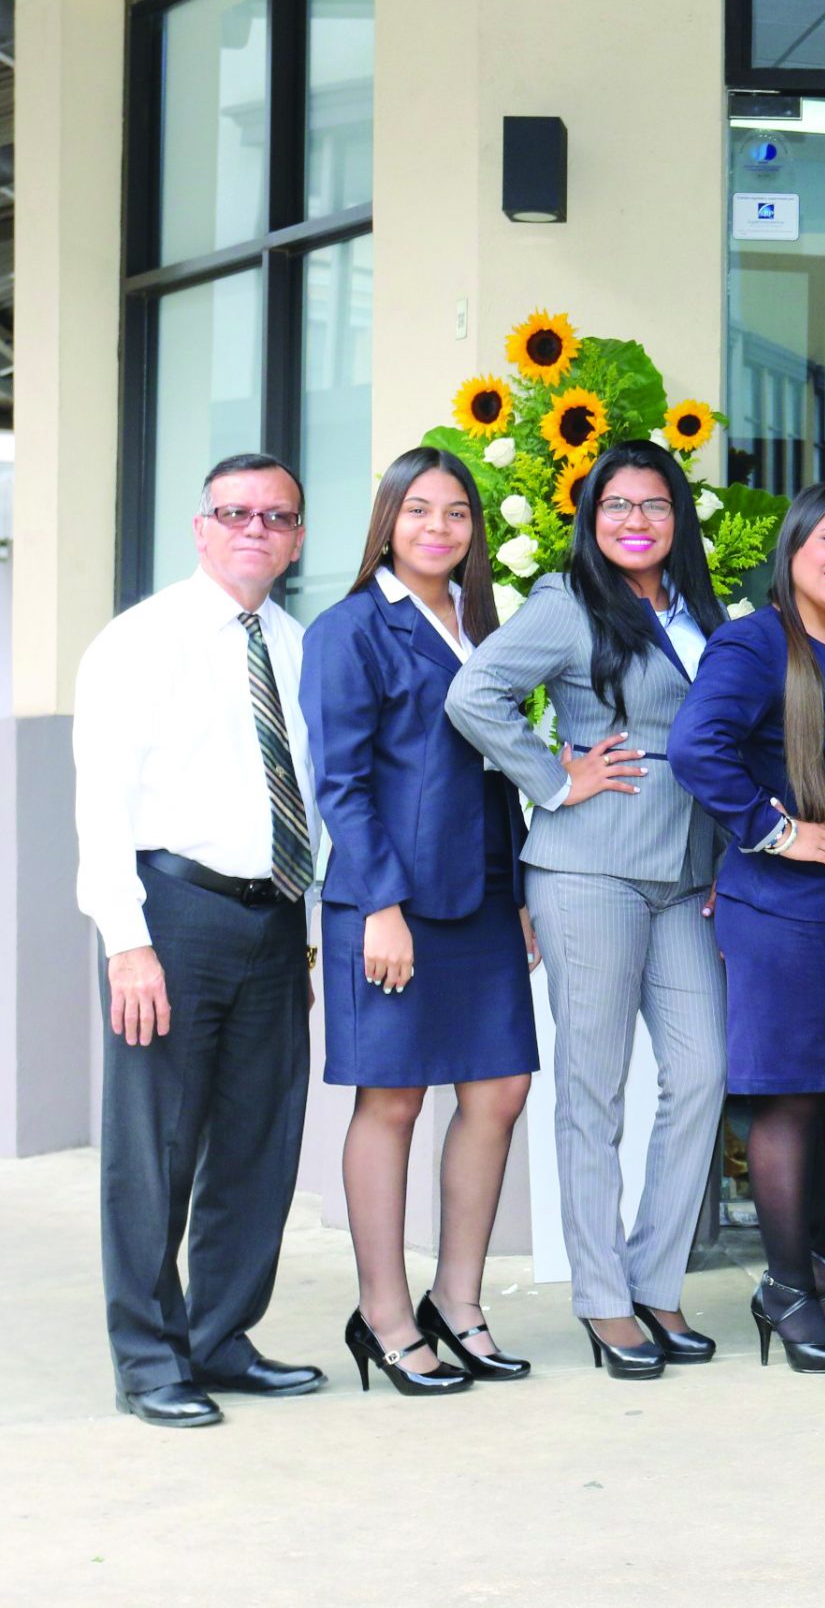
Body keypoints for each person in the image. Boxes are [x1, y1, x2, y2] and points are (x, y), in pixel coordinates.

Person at [447, 441, 727, 1380]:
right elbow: (473, 692)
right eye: (617, 504)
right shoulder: (568, 605)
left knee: (702, 1074)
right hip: (588, 871)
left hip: (685, 877)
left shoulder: (700, 610)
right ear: (591, 516)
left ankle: (655, 1278)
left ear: (679, 517)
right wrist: (552, 780)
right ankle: (605, 1300)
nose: (636, 520)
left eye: (654, 504)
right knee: (593, 1088)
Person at [76, 453, 327, 1427]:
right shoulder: (140, 641)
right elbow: (102, 798)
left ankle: (221, 1337)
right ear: (200, 527)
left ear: (298, 536)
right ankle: (148, 1358)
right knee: (157, 1145)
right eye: (236, 513)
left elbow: (307, 787)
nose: (255, 529)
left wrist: (314, 910)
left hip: (274, 917)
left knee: (259, 1139)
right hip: (172, 913)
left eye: (276, 516)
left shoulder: (297, 644)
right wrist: (125, 941)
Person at [301, 448, 539, 1396]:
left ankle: (460, 1300)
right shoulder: (350, 628)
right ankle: (386, 1315)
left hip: (481, 892)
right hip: (388, 900)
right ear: (389, 520)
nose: (439, 528)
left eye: (457, 514)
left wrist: (518, 890)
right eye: (420, 511)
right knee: (392, 1100)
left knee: (500, 1089)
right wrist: (380, 906)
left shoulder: (483, 624)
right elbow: (342, 783)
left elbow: (497, 763)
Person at [668, 483, 825, 1375]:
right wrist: (777, 831)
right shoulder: (755, 639)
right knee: (793, 1098)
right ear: (795, 545)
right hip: (788, 910)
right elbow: (698, 747)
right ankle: (787, 1283)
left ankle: (823, 1269)